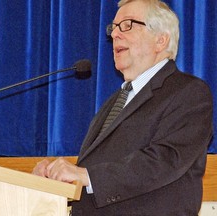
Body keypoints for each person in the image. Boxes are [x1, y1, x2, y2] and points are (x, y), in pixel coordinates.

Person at [33, 0, 213, 215]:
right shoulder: (116, 100)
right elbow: (96, 169)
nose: (115, 35)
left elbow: (166, 159)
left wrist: (87, 176)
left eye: (127, 25)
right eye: (114, 28)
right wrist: (52, 181)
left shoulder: (188, 92)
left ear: (160, 40)